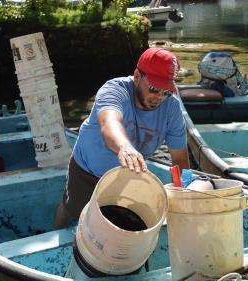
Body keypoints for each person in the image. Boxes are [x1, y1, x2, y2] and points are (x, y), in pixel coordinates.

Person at [53, 48, 190, 229]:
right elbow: (109, 123)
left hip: (128, 174)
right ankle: (55, 229)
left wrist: (187, 189)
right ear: (136, 77)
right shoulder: (115, 90)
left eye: (166, 92)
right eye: (154, 89)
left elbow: (180, 158)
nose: (159, 97)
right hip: (88, 170)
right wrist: (125, 147)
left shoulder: (172, 108)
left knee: (121, 222)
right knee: (72, 210)